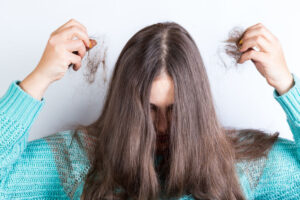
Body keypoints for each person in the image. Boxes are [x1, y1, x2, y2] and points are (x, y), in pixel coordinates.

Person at [0, 19, 298, 200]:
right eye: (150, 110)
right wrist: (37, 80)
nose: (164, 126)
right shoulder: (79, 161)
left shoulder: (243, 165)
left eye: (176, 110)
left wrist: (286, 84)